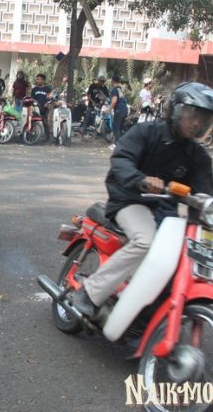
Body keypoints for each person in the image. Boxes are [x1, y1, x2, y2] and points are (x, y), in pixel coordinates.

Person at [71, 82, 213, 317]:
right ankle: (90, 292)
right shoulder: (147, 132)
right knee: (145, 241)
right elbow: (121, 159)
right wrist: (141, 179)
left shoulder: (198, 155)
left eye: (204, 118)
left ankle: (148, 311)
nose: (197, 123)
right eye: (193, 115)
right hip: (131, 200)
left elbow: (205, 191)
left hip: (167, 210)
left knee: (185, 255)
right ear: (176, 110)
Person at [30, 73, 52, 141]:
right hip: (36, 108)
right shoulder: (34, 89)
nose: (37, 80)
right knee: (32, 122)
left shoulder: (47, 89)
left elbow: (50, 98)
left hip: (44, 109)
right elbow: (32, 98)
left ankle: (47, 138)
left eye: (38, 79)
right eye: (36, 79)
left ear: (43, 80)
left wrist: (47, 103)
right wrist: (35, 102)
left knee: (45, 123)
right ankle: (31, 136)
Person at [109, 76, 128, 143]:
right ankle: (123, 143)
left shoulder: (114, 89)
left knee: (116, 128)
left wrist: (109, 109)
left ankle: (118, 145)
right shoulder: (120, 89)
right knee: (120, 128)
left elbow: (114, 101)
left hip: (119, 110)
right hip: (124, 109)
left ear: (112, 81)